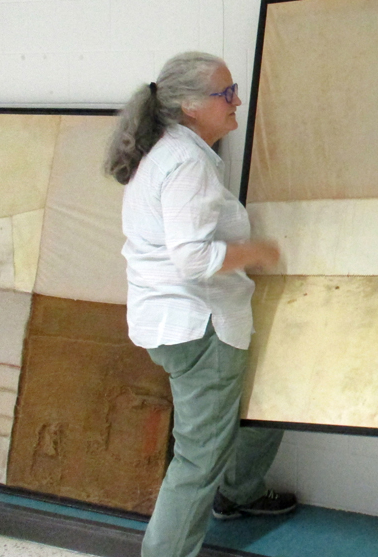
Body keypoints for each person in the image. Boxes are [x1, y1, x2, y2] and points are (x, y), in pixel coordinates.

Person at [106, 51, 296, 557]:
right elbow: (192, 258)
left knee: (259, 407)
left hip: (174, 322)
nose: (236, 101)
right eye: (225, 93)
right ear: (189, 105)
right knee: (198, 459)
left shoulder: (170, 152)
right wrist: (259, 252)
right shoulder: (186, 162)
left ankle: (238, 494)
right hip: (199, 326)